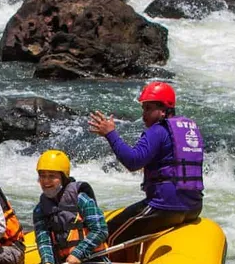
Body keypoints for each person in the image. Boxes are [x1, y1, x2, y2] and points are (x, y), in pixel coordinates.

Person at [87, 81, 204, 244]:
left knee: (104, 234)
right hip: (194, 207)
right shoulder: (188, 131)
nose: (143, 115)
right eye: (143, 108)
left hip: (164, 207)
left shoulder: (158, 131)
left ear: (163, 110)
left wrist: (110, 134)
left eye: (148, 109)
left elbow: (133, 162)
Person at [31, 150, 111, 264]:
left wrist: (78, 254)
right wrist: (48, 262)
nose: (46, 181)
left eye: (52, 176)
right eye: (42, 176)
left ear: (63, 178)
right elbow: (43, 239)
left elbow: (100, 230)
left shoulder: (81, 199)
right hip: (62, 262)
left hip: (91, 260)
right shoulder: (40, 209)